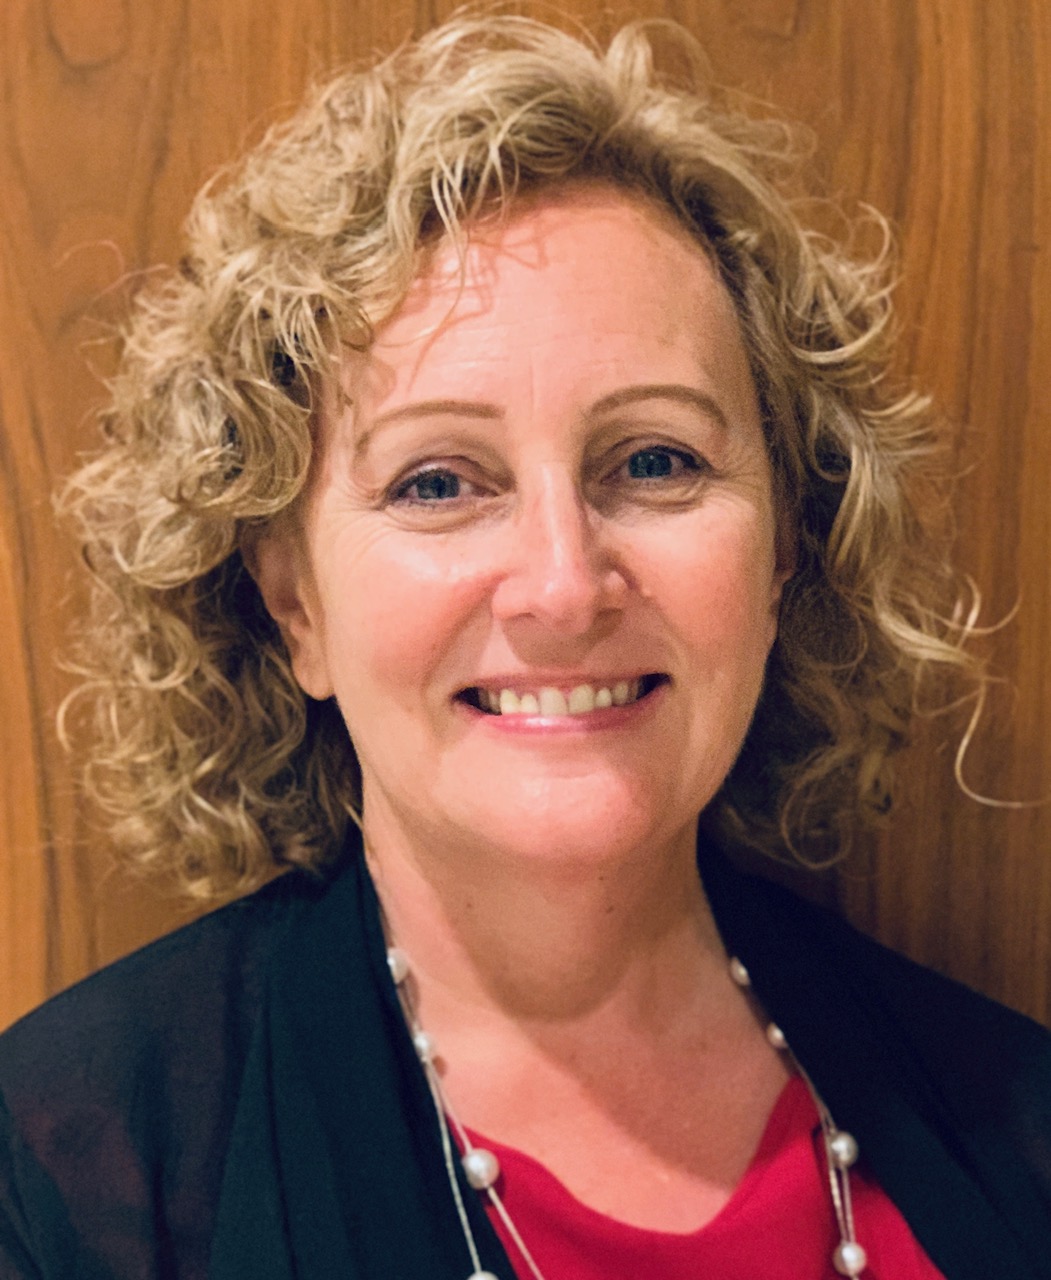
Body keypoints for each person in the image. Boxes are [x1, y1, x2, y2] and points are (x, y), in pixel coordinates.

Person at [1, 13, 1049, 1280]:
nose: (562, 586)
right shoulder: (68, 1173)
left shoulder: (1018, 1121)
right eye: (440, 481)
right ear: (294, 605)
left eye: (656, 460)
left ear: (781, 551)